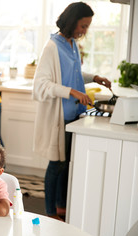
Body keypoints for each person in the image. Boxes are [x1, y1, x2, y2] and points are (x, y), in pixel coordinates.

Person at [32, 2, 111, 221]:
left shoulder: (72, 43)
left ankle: (61, 206)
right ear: (72, 21)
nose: (84, 31)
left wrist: (94, 77)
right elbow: (41, 85)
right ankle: (49, 211)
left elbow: (71, 73)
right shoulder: (52, 46)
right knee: (55, 164)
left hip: (73, 116)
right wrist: (73, 93)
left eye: (87, 27)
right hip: (58, 117)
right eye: (83, 26)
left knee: (66, 164)